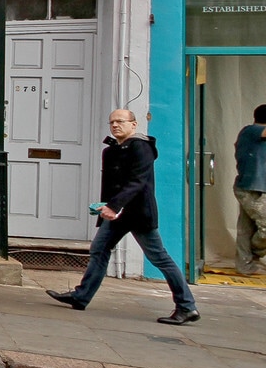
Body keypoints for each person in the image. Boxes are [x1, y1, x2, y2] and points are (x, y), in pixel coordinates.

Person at [50, 108, 198, 323]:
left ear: (134, 125)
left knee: (159, 257)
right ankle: (81, 296)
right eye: (112, 122)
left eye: (120, 121)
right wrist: (105, 208)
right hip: (117, 214)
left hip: (138, 214)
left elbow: (137, 182)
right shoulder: (111, 150)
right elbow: (111, 186)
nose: (115, 125)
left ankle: (187, 306)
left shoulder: (141, 147)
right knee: (99, 249)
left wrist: (113, 205)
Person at [236, 103, 266, 277]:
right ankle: (253, 255)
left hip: (254, 187)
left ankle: (244, 265)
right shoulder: (251, 131)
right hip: (252, 189)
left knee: (245, 229)